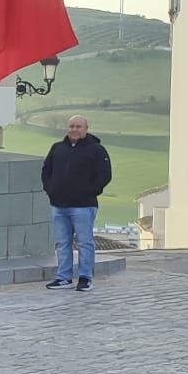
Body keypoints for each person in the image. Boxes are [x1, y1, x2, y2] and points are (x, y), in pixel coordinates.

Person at [42, 115, 112, 291]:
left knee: (84, 243)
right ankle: (63, 278)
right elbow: (46, 171)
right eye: (71, 126)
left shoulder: (96, 150)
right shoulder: (57, 148)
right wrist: (51, 190)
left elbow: (105, 175)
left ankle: (85, 278)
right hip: (59, 206)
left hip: (84, 206)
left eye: (78, 126)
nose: (74, 129)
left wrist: (88, 191)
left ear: (86, 129)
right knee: (62, 243)